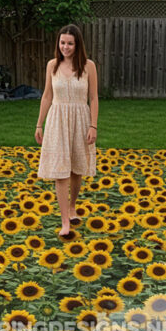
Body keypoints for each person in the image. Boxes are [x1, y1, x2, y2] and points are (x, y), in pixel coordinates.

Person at [35, 24, 98, 237]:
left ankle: (73, 207)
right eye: (62, 43)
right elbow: (46, 96)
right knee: (60, 171)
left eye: (70, 43)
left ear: (77, 44)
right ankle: (65, 222)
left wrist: (93, 125)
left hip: (81, 120)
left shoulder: (89, 66)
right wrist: (39, 124)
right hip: (57, 120)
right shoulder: (52, 65)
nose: (66, 47)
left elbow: (93, 98)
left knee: (76, 169)